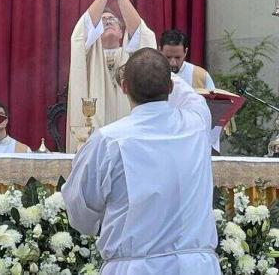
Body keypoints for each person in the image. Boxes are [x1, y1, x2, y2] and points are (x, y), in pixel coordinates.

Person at [62, 48, 219, 274]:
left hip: (134, 266)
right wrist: (155, 69)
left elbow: (80, 212)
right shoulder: (197, 123)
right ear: (170, 87)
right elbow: (188, 94)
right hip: (196, 266)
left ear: (124, 88)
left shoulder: (108, 141)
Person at [66, 0, 156, 152]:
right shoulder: (88, 54)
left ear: (122, 31)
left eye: (113, 20)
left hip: (130, 139)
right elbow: (81, 31)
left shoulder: (134, 57)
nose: (107, 21)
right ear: (96, 33)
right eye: (103, 20)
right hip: (94, 138)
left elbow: (141, 34)